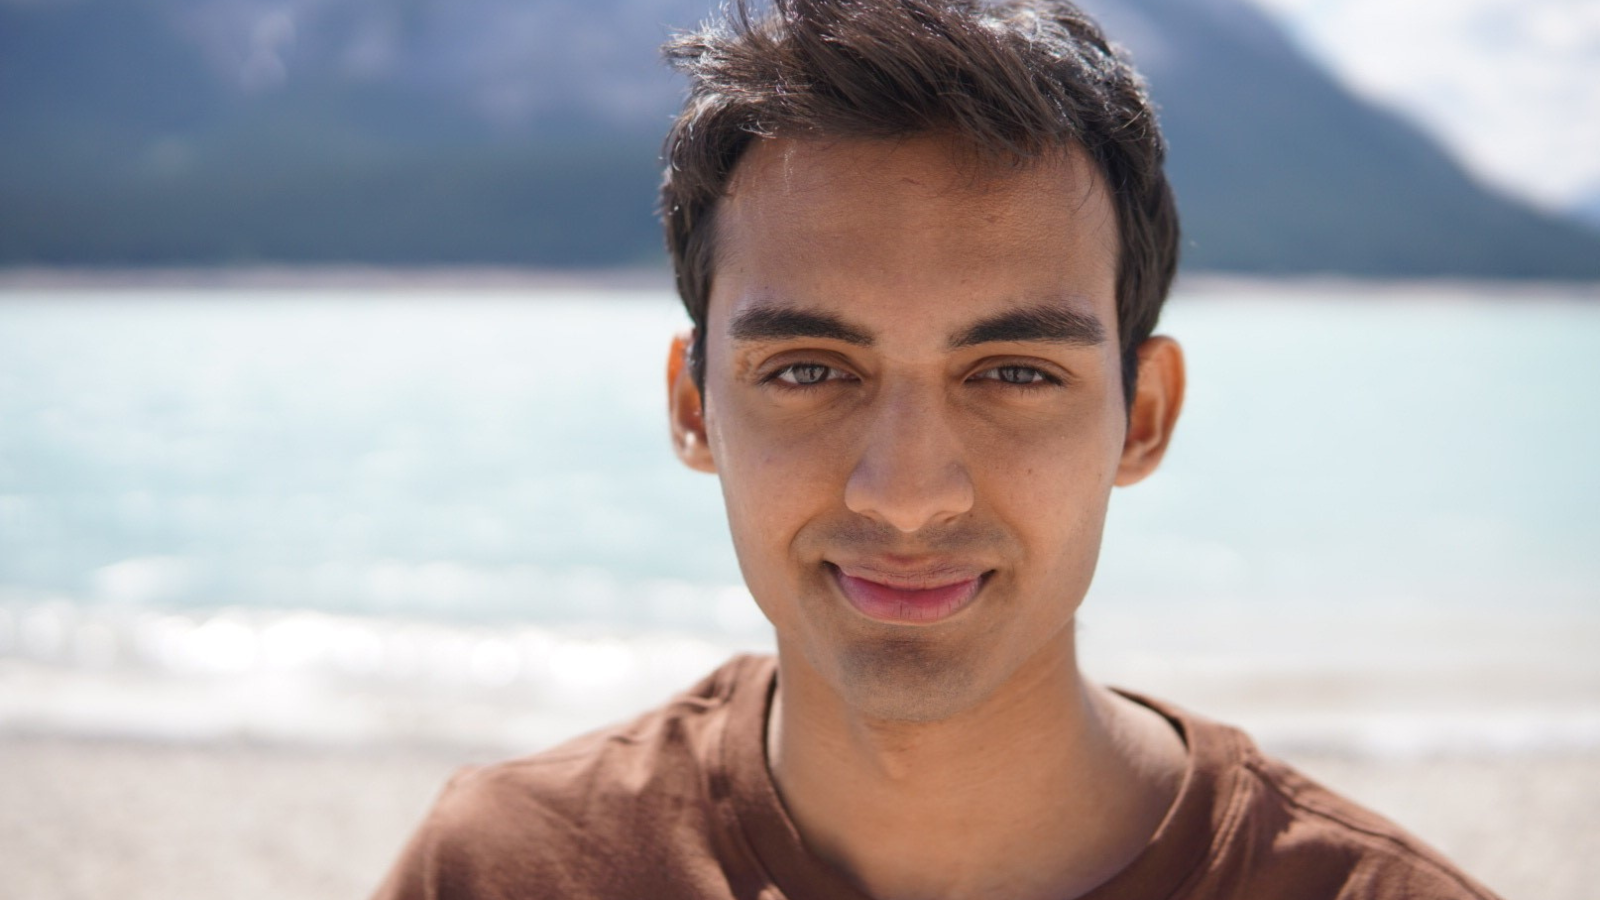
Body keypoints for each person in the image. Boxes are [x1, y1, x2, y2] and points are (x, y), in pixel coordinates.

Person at [372, 1, 1501, 898]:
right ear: (695, 406)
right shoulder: (507, 871)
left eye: (1012, 373)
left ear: (1142, 416)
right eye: (809, 370)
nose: (905, 494)